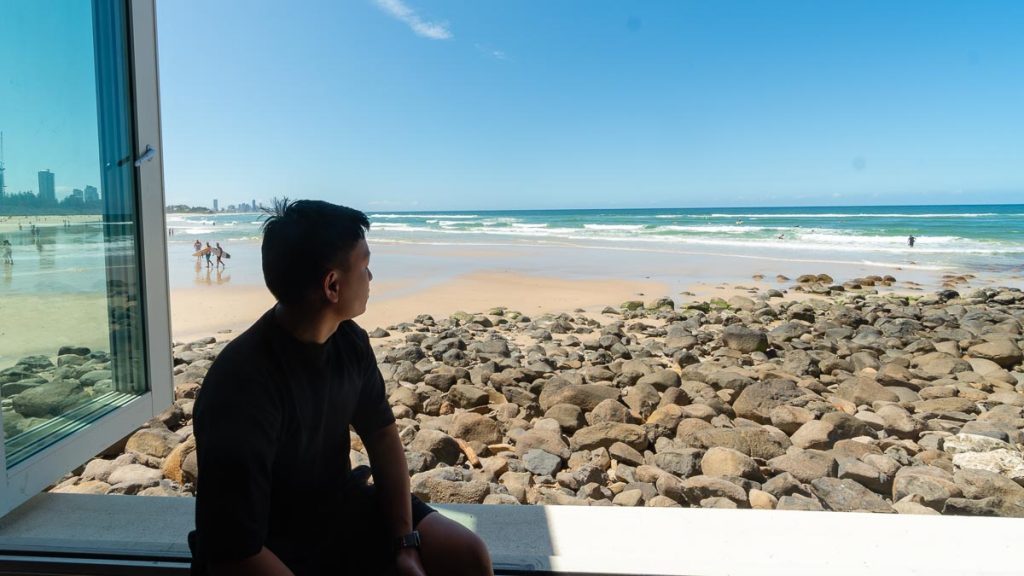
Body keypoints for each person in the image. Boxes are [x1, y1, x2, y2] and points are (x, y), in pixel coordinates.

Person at [190, 200, 492, 576]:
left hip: (334, 508)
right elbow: (233, 551)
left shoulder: (349, 342)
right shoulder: (242, 386)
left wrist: (405, 545)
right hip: (269, 541)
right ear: (333, 285)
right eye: (364, 266)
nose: (371, 277)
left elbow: (382, 436)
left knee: (467, 553)